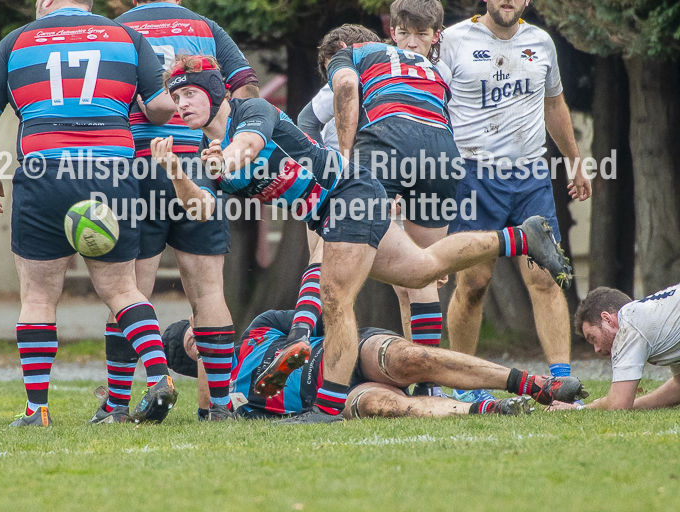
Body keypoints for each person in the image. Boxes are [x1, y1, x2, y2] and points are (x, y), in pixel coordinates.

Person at [150, 54, 571, 424]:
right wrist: (174, 170)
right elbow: (201, 207)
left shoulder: (250, 112)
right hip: (330, 211)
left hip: (346, 194)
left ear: (214, 91)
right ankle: (521, 237)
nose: (181, 104)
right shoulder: (206, 151)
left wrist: (225, 158)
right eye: (176, 97)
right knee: (421, 269)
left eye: (189, 94)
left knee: (334, 298)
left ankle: (327, 408)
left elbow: (248, 146)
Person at [0, 0, 180, 427]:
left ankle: (37, 410)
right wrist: (184, 91)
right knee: (122, 290)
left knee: (39, 295)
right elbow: (160, 108)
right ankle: (159, 376)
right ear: (88, 0)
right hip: (112, 172)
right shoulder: (126, 38)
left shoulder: (16, 42)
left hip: (44, 172)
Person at [90, 0, 261, 423]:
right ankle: (219, 407)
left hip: (139, 168)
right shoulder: (206, 28)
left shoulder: (114, 31)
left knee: (129, 291)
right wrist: (226, 139)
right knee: (208, 291)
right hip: (199, 164)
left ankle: (118, 405)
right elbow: (247, 88)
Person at [440, 0, 591, 402]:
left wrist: (576, 163)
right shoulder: (452, 41)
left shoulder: (541, 43)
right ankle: (465, 387)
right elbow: (429, 101)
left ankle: (561, 384)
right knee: (473, 284)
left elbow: (555, 106)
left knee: (547, 276)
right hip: (472, 176)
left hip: (530, 178)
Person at [297, 0, 454, 370]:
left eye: (419, 34)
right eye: (404, 33)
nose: (411, 41)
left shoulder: (355, 59)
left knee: (330, 255)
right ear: (391, 35)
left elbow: (323, 105)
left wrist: (342, 167)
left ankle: (300, 339)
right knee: (425, 269)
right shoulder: (436, 69)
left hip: (378, 156)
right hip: (440, 153)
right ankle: (427, 376)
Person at [161, 309, 588, 420]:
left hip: (346, 352)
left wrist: (302, 344)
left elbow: (324, 316)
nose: (204, 338)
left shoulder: (258, 329)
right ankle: (487, 409)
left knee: (409, 358)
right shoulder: (225, 399)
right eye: (193, 343)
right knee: (380, 406)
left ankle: (533, 384)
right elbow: (210, 414)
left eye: (199, 329)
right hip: (334, 398)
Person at [571, 285, 680, 411]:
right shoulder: (662, 321)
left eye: (593, 338)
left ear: (607, 319)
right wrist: (632, 405)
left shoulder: (628, 324)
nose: (596, 349)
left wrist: (578, 408)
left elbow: (618, 405)